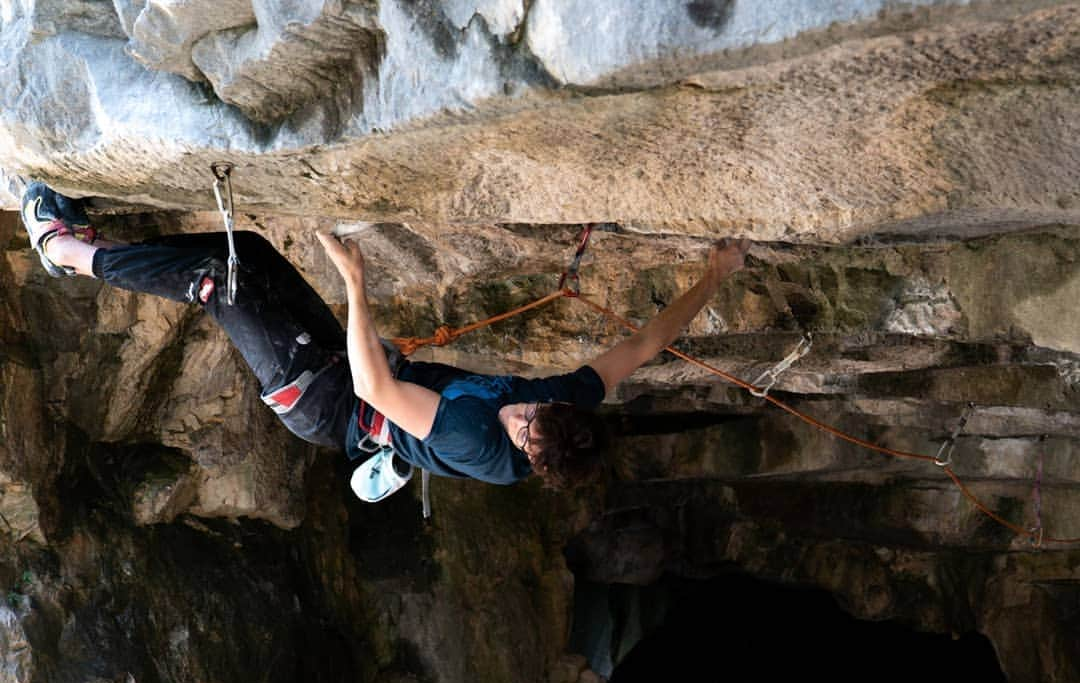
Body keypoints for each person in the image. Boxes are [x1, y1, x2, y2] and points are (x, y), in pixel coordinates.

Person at [20, 181, 750, 495]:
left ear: (530, 457)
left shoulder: (475, 439)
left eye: (526, 428)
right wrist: (714, 277)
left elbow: (374, 388)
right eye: (535, 412)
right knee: (252, 252)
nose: (521, 414)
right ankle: (102, 248)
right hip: (353, 371)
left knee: (220, 280)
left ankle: (64, 250)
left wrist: (357, 284)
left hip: (326, 399)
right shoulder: (560, 404)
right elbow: (645, 347)